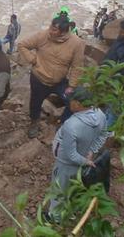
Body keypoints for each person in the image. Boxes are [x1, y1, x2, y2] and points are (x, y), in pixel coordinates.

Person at [19, 15, 85, 138]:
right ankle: (34, 122)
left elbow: (77, 66)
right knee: (35, 103)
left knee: (73, 102)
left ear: (63, 32)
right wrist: (32, 59)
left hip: (59, 82)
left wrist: (72, 85)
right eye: (51, 27)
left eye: (54, 29)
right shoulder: (42, 36)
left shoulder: (77, 43)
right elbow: (22, 45)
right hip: (39, 78)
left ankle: (64, 124)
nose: (50, 31)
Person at [48, 87, 109, 217]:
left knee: (59, 189)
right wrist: (92, 152)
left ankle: (55, 217)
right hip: (83, 156)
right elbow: (104, 135)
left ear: (79, 104)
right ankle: (70, 211)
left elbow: (70, 154)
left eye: (71, 100)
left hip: (65, 163)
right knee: (73, 186)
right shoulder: (100, 115)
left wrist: (85, 161)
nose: (69, 102)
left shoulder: (72, 125)